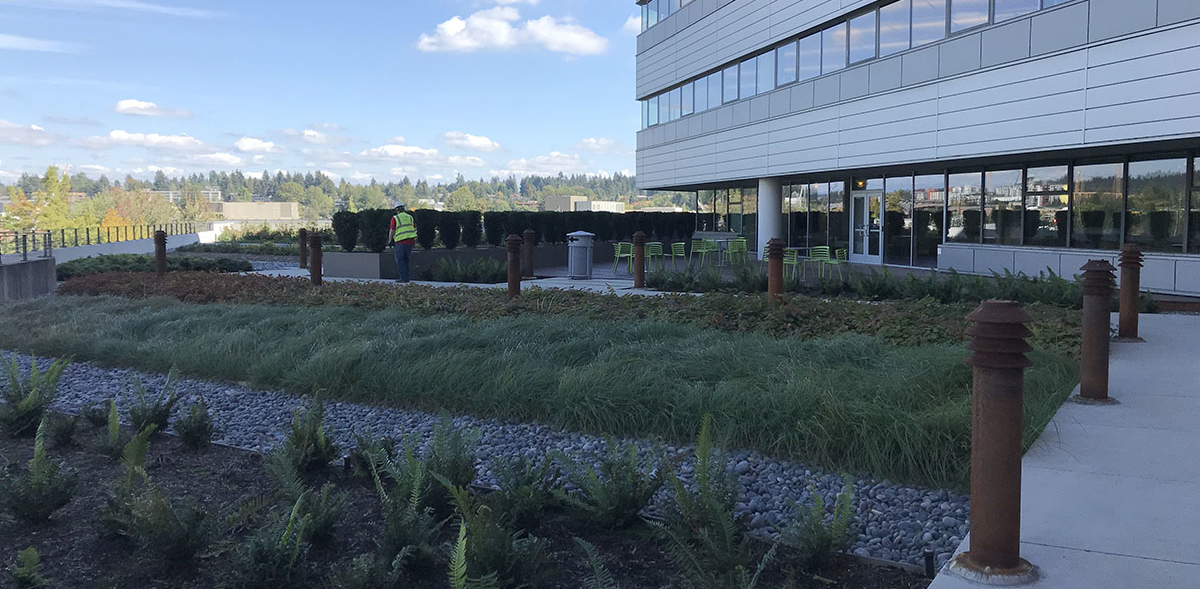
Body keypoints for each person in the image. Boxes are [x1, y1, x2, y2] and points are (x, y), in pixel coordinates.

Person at [390, 203, 417, 282]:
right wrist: (414, 242)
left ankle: (403, 278)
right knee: (406, 260)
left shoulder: (395, 218)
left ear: (396, 209)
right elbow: (414, 229)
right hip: (410, 242)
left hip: (400, 242)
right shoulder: (410, 217)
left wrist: (390, 240)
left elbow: (392, 231)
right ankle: (407, 277)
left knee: (400, 260)